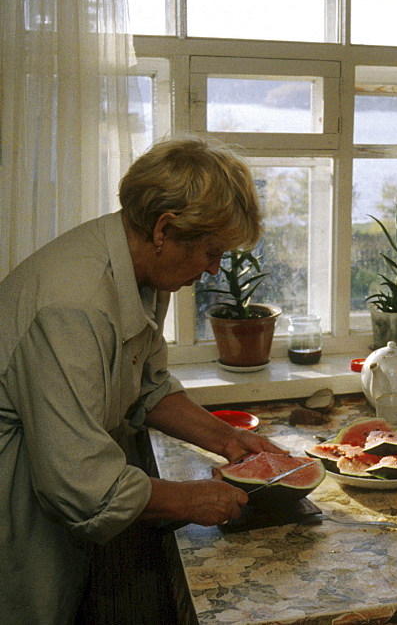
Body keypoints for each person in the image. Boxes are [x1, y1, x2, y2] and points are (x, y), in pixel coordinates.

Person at [0, 137, 289, 623]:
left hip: (53, 494)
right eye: (211, 251)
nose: (211, 269)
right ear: (165, 229)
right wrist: (187, 498)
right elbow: (82, 485)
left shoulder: (142, 271)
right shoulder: (73, 305)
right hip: (15, 507)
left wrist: (229, 438)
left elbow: (147, 386)